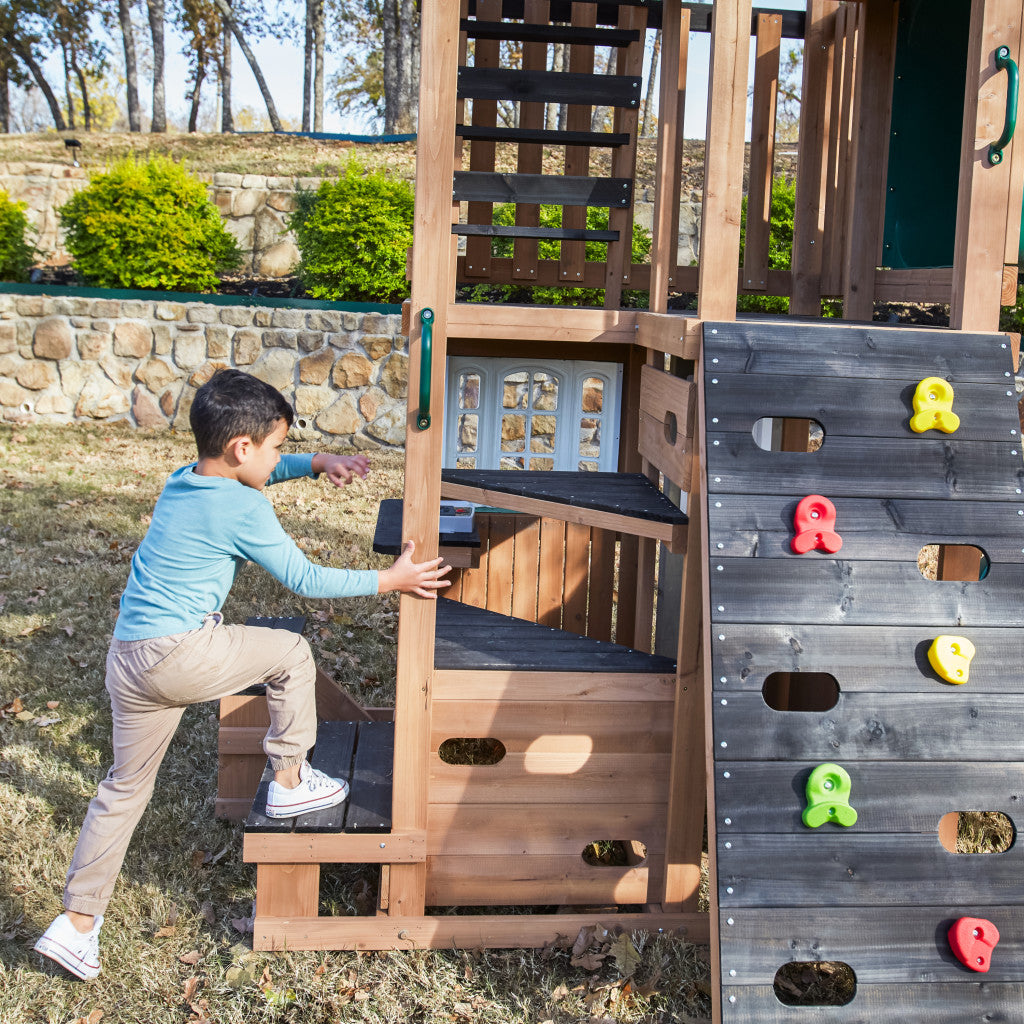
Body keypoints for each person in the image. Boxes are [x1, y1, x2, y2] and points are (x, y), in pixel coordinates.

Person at [33, 369, 450, 980]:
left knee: (123, 790)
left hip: (128, 657)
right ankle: (289, 777)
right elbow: (307, 579)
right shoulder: (244, 507)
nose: (278, 457)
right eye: (277, 445)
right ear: (242, 447)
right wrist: (391, 581)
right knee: (289, 652)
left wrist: (310, 462)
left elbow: (256, 468)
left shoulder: (185, 481)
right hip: (178, 654)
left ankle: (75, 924)